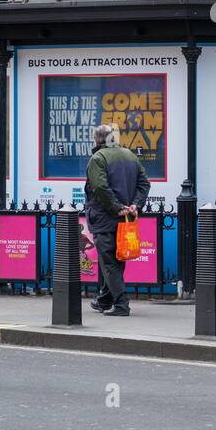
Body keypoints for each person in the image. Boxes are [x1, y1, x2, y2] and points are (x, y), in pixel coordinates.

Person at [84, 124, 149, 317]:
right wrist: (135, 205)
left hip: (105, 218)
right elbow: (144, 183)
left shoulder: (98, 158)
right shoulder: (130, 155)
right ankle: (105, 299)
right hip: (125, 218)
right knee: (115, 260)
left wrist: (117, 207)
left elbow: (100, 188)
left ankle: (121, 304)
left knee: (110, 262)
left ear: (96, 140)